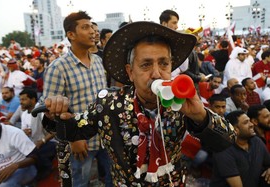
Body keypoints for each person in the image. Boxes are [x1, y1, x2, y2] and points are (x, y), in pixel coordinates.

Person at [42, 21, 234, 186]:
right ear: (130, 72)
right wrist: (57, 115)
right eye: (146, 65)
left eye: (164, 64)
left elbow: (227, 141)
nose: (157, 73)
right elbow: (72, 130)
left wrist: (200, 116)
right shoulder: (108, 104)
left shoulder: (181, 103)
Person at [42, 11, 112, 187]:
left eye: (92, 27)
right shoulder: (58, 68)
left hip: (105, 136)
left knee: (114, 179)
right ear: (71, 35)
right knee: (79, 183)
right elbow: (51, 112)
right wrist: (73, 138)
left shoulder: (97, 61)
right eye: (85, 27)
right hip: (80, 144)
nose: (93, 32)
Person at [210, 110, 270, 187]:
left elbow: (268, 163)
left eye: (250, 121)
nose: (252, 124)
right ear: (235, 130)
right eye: (246, 122)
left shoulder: (256, 141)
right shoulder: (223, 150)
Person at [19, 89, 56, 180]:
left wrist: (42, 141)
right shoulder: (24, 114)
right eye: (20, 100)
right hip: (33, 142)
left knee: (36, 152)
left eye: (24, 99)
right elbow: (23, 130)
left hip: (51, 142)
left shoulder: (41, 111)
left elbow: (55, 131)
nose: (21, 102)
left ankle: (47, 169)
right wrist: (24, 132)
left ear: (33, 99)